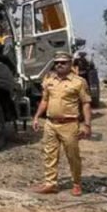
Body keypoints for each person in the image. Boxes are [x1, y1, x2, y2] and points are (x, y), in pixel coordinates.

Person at [31, 50, 92, 196]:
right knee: (50, 154)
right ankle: (50, 184)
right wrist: (36, 117)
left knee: (73, 155)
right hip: (51, 123)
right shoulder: (49, 81)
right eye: (57, 63)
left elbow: (86, 103)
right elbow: (45, 100)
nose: (59, 65)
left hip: (69, 124)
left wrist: (87, 125)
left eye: (63, 62)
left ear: (70, 64)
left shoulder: (79, 82)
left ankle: (76, 183)